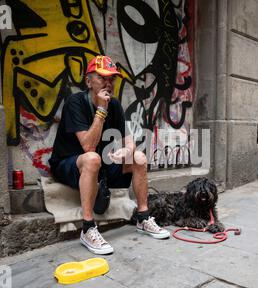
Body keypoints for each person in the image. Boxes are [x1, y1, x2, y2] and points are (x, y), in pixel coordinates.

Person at [49, 55, 170, 255]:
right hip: (68, 164)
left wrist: (127, 151)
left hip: (99, 166)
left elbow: (129, 140)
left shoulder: (114, 105)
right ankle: (87, 228)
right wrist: (101, 111)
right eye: (102, 77)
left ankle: (143, 217)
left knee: (139, 158)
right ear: (88, 81)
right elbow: (88, 146)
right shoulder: (75, 102)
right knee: (92, 158)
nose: (108, 83)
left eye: (112, 78)